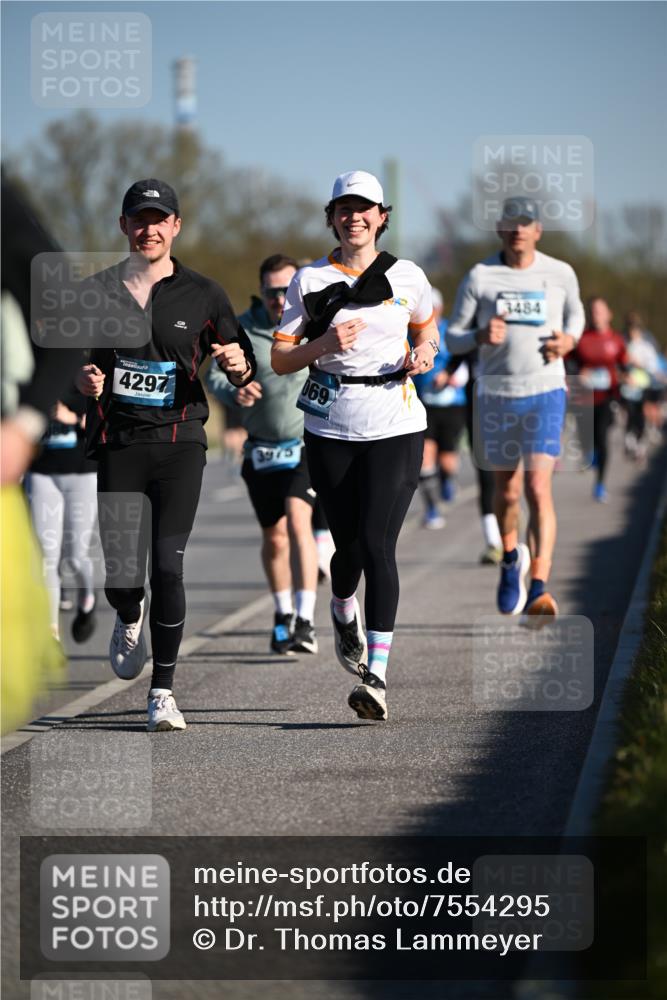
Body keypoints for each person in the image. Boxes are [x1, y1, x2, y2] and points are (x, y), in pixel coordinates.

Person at [76, 179, 256, 732]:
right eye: (139, 219)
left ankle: (162, 691)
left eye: (160, 219)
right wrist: (81, 381)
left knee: (167, 566)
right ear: (123, 226)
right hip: (119, 443)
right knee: (125, 573)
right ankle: (128, 614)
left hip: (180, 443)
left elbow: (244, 365)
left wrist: (236, 366)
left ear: (176, 226)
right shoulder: (94, 292)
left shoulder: (204, 294)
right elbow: (62, 368)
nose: (149, 228)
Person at [271, 170, 438, 721]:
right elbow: (280, 358)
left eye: (365, 208)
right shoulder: (309, 280)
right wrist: (322, 341)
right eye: (345, 209)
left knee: (376, 545)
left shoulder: (409, 275)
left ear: (382, 216)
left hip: (397, 421)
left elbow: (426, 328)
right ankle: (342, 607)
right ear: (332, 217)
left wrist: (426, 352)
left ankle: (378, 677)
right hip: (331, 427)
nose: (355, 217)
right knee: (346, 551)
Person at [447, 196, 585, 623]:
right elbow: (452, 337)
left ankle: (540, 586)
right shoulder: (482, 275)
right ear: (500, 230)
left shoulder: (560, 272)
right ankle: (511, 558)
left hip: (545, 391)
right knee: (507, 491)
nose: (518, 231)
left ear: (538, 230)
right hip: (495, 395)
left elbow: (575, 314)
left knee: (538, 489)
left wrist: (570, 340)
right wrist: (479, 335)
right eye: (510, 224)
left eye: (525, 223)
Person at [206, 253, 319, 656]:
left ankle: (305, 620)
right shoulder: (243, 327)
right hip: (261, 450)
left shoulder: (312, 323)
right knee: (274, 536)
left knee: (298, 521)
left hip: (306, 444)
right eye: (271, 291)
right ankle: (283, 613)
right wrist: (232, 390)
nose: (278, 299)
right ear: (262, 291)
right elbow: (214, 372)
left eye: (286, 290)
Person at [24, 389, 98, 643]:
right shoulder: (35, 379)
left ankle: (87, 600)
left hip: (81, 473)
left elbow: (103, 421)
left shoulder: (85, 374)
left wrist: (73, 418)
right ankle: (51, 634)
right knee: (47, 557)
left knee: (75, 557)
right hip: (41, 473)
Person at [413, 287, 468, 529]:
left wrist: (455, 377)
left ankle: (448, 479)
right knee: (425, 457)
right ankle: (432, 509)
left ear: (440, 308)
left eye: (433, 308)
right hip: (424, 404)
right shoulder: (411, 333)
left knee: (447, 460)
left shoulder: (450, 332)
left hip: (452, 404)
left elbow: (465, 360)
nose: (430, 312)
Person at [573, 297, 627, 501]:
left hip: (607, 397)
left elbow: (624, 365)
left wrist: (626, 377)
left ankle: (600, 485)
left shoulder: (616, 339)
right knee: (587, 437)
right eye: (593, 310)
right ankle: (590, 453)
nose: (596, 314)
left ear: (608, 314)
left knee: (602, 437)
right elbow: (568, 364)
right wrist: (579, 373)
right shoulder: (581, 338)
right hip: (583, 397)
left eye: (600, 310)